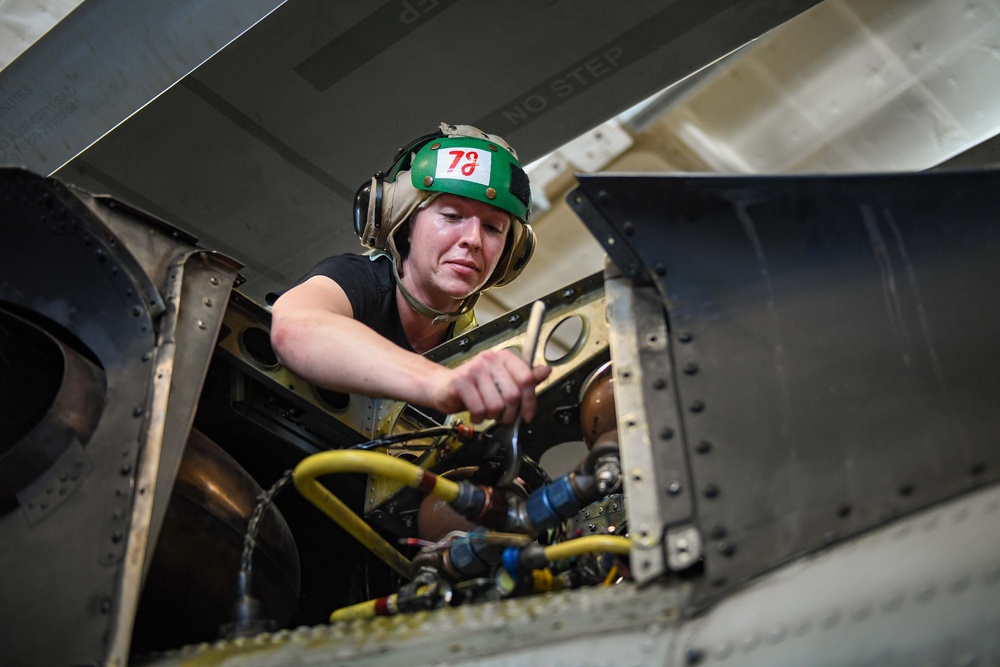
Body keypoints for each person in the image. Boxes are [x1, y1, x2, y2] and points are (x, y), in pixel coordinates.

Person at [270, 123, 551, 425]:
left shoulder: (473, 353)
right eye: (452, 216)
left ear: (511, 254)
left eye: (493, 227)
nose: (474, 239)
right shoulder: (356, 279)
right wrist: (438, 383)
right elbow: (295, 331)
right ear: (405, 224)